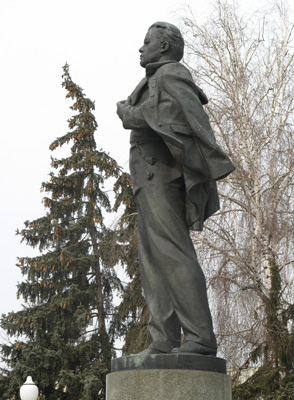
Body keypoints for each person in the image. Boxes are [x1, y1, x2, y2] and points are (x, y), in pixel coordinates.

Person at [116, 22, 235, 356]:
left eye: (147, 42)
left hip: (163, 175)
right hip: (147, 179)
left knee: (173, 253)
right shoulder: (153, 78)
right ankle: (163, 340)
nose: (141, 48)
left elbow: (186, 120)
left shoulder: (171, 74)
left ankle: (200, 338)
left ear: (165, 47)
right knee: (153, 259)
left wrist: (132, 114)